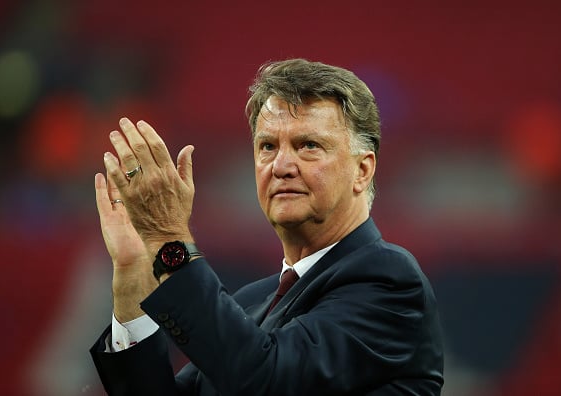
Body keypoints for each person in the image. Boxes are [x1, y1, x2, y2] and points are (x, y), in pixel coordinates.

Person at [90, 58, 444, 395]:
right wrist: (134, 276)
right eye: (268, 146)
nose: (281, 165)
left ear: (362, 171)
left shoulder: (389, 282)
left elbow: (265, 383)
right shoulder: (251, 304)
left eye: (308, 145)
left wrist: (169, 239)